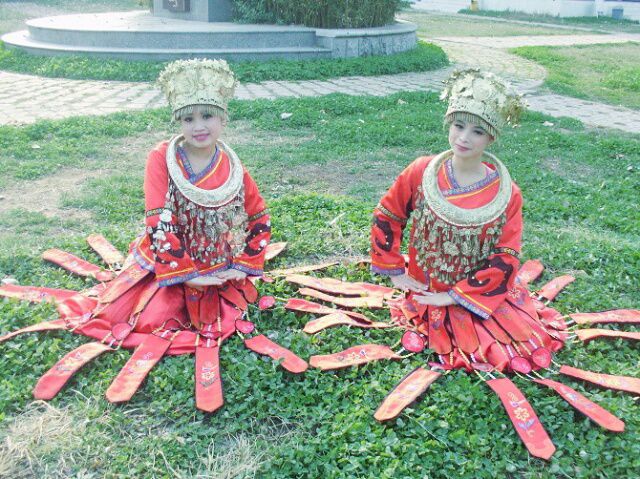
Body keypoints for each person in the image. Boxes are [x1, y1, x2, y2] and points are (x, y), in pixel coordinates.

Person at [0, 59, 307, 412]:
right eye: (188, 119)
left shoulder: (233, 166)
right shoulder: (161, 157)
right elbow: (159, 222)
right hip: (168, 266)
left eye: (207, 116)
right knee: (138, 317)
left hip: (219, 266)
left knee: (223, 312)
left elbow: (259, 215)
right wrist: (191, 275)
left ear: (223, 119)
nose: (198, 126)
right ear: (178, 122)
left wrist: (243, 264)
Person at [370, 69, 555, 371]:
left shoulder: (508, 193)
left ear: (491, 137)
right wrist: (393, 270)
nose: (464, 138)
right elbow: (388, 215)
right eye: (458, 126)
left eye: (477, 131)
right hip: (424, 286)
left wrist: (455, 296)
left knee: (505, 346)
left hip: (473, 292)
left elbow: (506, 255)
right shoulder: (421, 171)